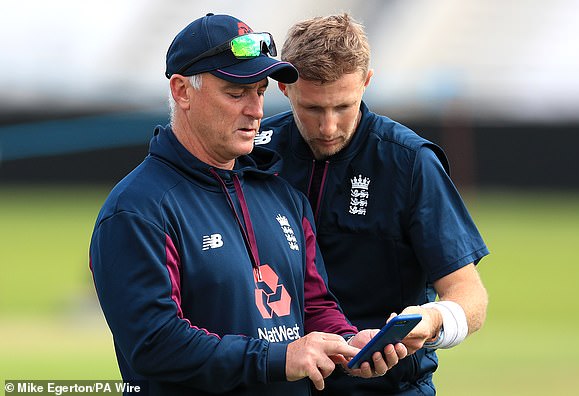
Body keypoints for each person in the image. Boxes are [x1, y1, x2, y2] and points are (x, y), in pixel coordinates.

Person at [89, 13, 408, 396]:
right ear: (182, 91)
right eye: (235, 93)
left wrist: (347, 343)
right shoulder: (139, 209)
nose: (256, 110)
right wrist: (278, 359)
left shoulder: (282, 196)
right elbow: (155, 343)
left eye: (259, 91)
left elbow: (313, 305)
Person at [257, 13, 490, 395]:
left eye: (343, 107)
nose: (328, 127)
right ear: (284, 88)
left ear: (366, 82)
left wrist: (430, 320)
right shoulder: (252, 152)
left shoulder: (410, 162)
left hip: (387, 388)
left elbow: (469, 294)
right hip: (275, 383)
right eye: (313, 109)